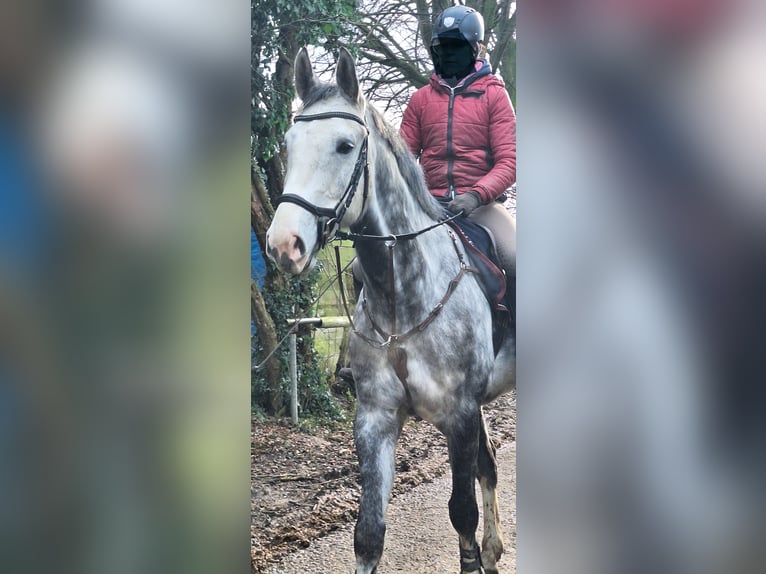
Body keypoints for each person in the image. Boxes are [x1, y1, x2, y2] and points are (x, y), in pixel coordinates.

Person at [400, 5, 516, 279]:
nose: (448, 54)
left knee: (518, 258)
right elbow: (401, 159)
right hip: (428, 206)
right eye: (442, 48)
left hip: (482, 207)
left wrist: (475, 195)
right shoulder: (420, 100)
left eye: (456, 47)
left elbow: (510, 161)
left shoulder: (495, 96)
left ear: (475, 49)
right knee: (362, 265)